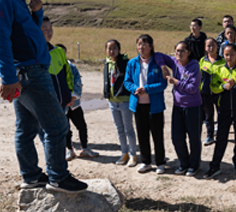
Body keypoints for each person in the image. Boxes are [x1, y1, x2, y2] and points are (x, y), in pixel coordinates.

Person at [0, 0, 87, 193]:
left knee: (27, 128)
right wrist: (8, 78)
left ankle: (31, 177)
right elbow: (0, 40)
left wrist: (37, 13)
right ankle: (58, 177)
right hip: (28, 71)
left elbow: (26, 32)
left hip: (28, 69)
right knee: (57, 125)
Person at [205, 44, 236, 179]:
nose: (229, 57)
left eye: (232, 54)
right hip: (223, 110)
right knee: (221, 138)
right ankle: (215, 166)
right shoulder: (219, 70)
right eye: (226, 54)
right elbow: (213, 88)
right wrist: (222, 86)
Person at [123, 34, 168, 174]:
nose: (141, 47)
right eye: (139, 44)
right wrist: (134, 89)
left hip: (155, 106)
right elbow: (127, 81)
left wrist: (146, 89)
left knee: (157, 135)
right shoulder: (132, 63)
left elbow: (163, 83)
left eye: (144, 44)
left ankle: (160, 162)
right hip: (138, 105)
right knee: (142, 135)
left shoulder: (158, 63)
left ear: (151, 46)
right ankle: (146, 162)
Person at [159, 42, 203, 176]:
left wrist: (176, 82)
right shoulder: (174, 62)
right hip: (178, 106)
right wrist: (163, 66)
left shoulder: (194, 66)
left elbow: (192, 88)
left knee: (194, 138)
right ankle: (184, 163)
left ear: (189, 52)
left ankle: (194, 165)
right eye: (177, 50)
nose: (179, 53)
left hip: (193, 106)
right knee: (176, 137)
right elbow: (157, 55)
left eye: (182, 51)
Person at [56, 43, 99, 160]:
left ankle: (85, 148)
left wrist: (73, 97)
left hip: (74, 104)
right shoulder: (52, 68)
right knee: (65, 128)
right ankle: (70, 149)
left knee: (82, 126)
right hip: (61, 105)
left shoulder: (72, 67)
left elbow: (78, 83)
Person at [104, 39, 138, 167]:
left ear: (119, 49)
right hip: (112, 102)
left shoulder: (126, 63)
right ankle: (124, 153)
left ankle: (133, 154)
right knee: (119, 129)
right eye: (109, 48)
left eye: (114, 48)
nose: (112, 51)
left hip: (124, 100)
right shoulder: (107, 63)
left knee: (128, 128)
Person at [199, 38, 224, 146]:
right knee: (208, 116)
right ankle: (210, 136)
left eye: (213, 45)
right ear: (205, 48)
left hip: (219, 92)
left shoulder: (223, 60)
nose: (211, 48)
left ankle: (221, 135)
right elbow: (199, 77)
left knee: (221, 114)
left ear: (217, 46)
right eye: (208, 46)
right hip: (205, 93)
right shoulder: (202, 60)